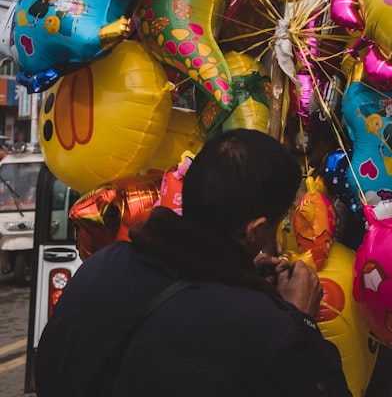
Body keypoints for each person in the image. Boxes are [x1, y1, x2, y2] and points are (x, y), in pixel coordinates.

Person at [36, 129, 350, 397]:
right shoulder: (274, 333)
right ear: (256, 230)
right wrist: (299, 319)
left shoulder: (101, 267)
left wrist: (245, 284)